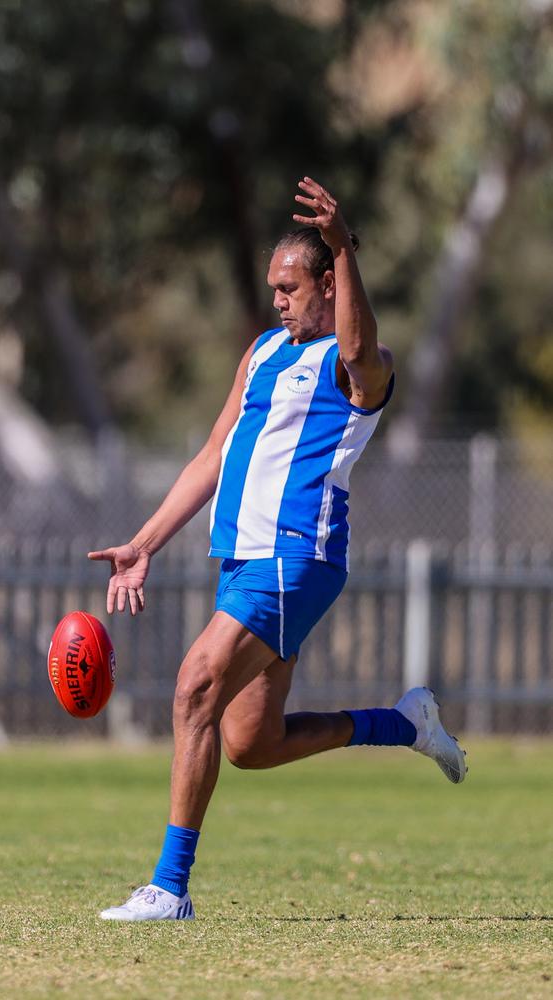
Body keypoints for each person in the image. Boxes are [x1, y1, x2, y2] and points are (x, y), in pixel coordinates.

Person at [88, 176, 467, 922]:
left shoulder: (358, 364)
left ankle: (169, 887)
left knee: (194, 684)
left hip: (297, 559)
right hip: (243, 560)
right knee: (249, 742)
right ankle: (406, 724)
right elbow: (209, 457)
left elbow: (359, 348)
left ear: (329, 284)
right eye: (273, 289)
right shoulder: (263, 351)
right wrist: (144, 544)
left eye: (291, 287)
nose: (277, 301)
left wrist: (342, 244)